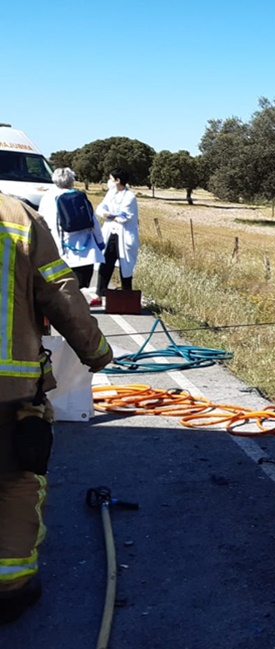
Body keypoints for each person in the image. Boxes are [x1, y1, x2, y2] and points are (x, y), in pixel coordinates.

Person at [0, 193, 113, 624]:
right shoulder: (16, 217)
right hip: (9, 392)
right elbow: (60, 291)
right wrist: (96, 352)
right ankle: (9, 589)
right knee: (15, 481)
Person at [36, 168, 105, 296]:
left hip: (60, 251)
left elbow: (41, 222)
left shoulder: (48, 197)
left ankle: (64, 313)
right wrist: (100, 242)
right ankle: (79, 313)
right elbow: (93, 221)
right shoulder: (80, 196)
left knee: (61, 290)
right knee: (79, 289)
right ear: (72, 180)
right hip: (86, 252)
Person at [95, 168, 139, 299]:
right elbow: (100, 209)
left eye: (111, 179)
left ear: (118, 180)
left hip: (123, 235)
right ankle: (100, 292)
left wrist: (108, 214)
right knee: (106, 261)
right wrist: (110, 215)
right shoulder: (111, 193)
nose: (109, 181)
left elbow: (124, 217)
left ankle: (127, 295)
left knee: (125, 265)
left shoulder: (130, 197)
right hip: (110, 233)